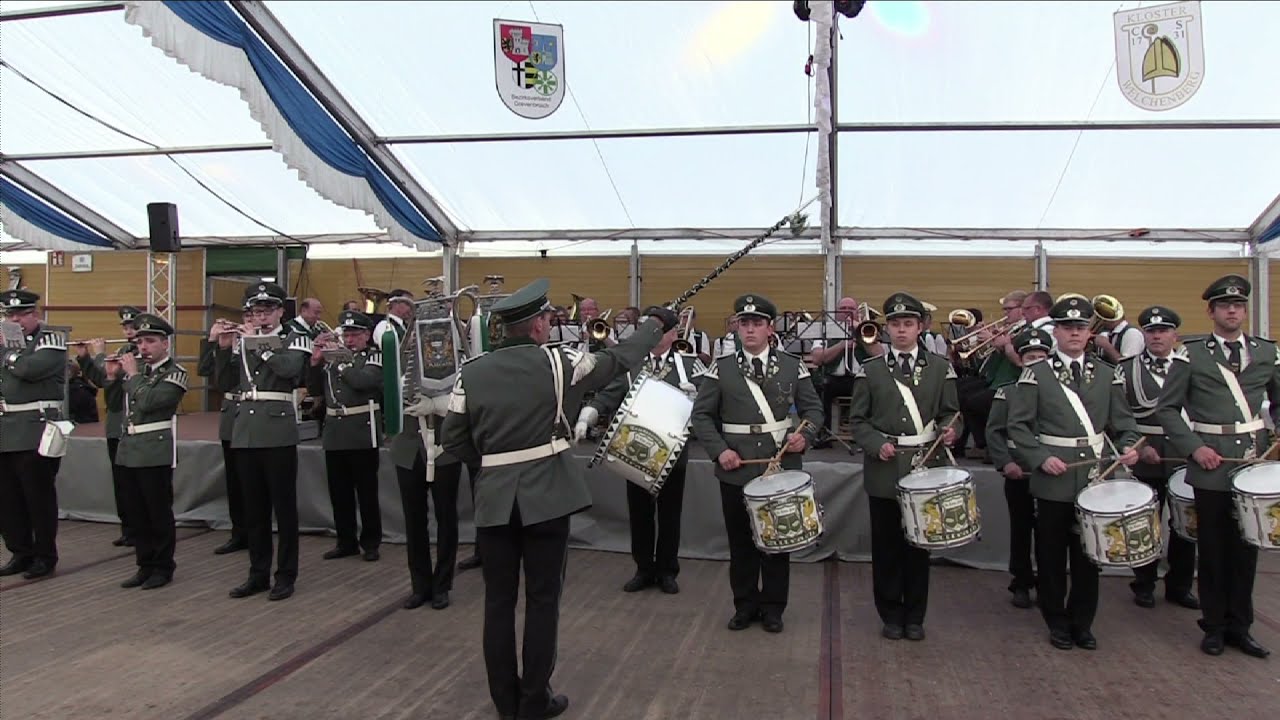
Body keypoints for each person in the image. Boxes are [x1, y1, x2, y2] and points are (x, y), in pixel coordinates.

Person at [441, 279, 675, 720]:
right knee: (543, 600)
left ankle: (505, 702)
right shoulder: (559, 364)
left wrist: (493, 462)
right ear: (535, 327)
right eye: (548, 319)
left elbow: (453, 439)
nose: (551, 325)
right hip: (547, 496)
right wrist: (654, 324)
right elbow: (619, 359)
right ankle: (535, 700)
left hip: (493, 500)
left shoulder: (469, 373)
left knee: (498, 603)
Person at [1006, 294, 1140, 651]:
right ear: (1057, 332)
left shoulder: (1107, 375)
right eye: (1068, 328)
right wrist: (1039, 457)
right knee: (1051, 554)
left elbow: (1124, 424)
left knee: (1088, 555)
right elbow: (1018, 427)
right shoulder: (1037, 374)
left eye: (1081, 327)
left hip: (1095, 478)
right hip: (1053, 476)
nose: (1075, 334)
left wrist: (1128, 447)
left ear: (1089, 332)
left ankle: (1083, 622)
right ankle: (1056, 620)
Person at [1155, 274, 1277, 659]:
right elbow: (1168, 409)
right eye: (1225, 305)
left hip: (1251, 463)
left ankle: (1241, 627)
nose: (1232, 311)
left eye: (1238, 305)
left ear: (1245, 310)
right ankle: (1214, 626)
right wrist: (1194, 448)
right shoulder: (1191, 353)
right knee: (1212, 549)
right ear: (1211, 312)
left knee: (1247, 548)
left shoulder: (1266, 352)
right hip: (1209, 462)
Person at [690, 293, 824, 634]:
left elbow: (813, 411)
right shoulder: (720, 368)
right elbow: (702, 415)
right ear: (737, 328)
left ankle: (774, 608)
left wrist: (804, 437)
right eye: (743, 323)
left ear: (770, 328)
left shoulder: (794, 366)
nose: (749, 330)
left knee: (778, 541)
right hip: (737, 466)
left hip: (781, 467)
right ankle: (745, 605)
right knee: (742, 543)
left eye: (757, 323)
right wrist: (720, 451)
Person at [847, 292, 959, 642]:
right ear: (886, 329)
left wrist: (951, 431)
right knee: (887, 547)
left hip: (925, 467)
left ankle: (916, 615)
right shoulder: (870, 370)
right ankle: (890, 614)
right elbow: (858, 420)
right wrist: (873, 444)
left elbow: (951, 412)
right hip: (884, 468)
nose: (900, 330)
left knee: (918, 546)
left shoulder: (940, 368)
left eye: (907, 324)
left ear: (920, 327)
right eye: (894, 324)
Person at [577, 315, 703, 594]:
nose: (656, 336)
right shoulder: (631, 365)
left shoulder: (690, 365)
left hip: (672, 452)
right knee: (639, 513)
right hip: (633, 451)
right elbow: (609, 394)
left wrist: (697, 401)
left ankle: (668, 570)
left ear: (673, 334)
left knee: (670, 513)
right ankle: (644, 568)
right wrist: (590, 413)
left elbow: (710, 402)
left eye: (661, 331)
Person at [215, 282, 312, 601]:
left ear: (281, 311)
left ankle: (286, 574)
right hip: (245, 430)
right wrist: (224, 346)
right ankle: (257, 573)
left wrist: (260, 344)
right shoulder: (244, 341)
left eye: (268, 310)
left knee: (283, 509)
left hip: (276, 428)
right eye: (256, 311)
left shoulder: (294, 336)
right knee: (254, 510)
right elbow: (224, 380)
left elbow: (291, 370)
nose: (261, 315)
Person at [1121, 306, 1198, 611]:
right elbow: (1119, 414)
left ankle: (1179, 585)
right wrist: (1139, 448)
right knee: (1145, 521)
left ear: (1174, 335)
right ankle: (1144, 583)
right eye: (1151, 331)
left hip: (1183, 452)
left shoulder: (1190, 366)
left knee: (1184, 522)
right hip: (1146, 449)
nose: (1156, 336)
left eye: (1163, 331)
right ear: (1143, 335)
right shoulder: (1126, 369)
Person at [114, 313, 187, 590]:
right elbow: (108, 388)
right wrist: (93, 360)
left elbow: (152, 401)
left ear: (165, 344)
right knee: (136, 513)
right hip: (129, 448)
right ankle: (144, 564)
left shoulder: (175, 372)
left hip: (154, 449)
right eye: (140, 341)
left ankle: (163, 566)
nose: (143, 347)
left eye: (150, 341)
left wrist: (132, 375)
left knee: (157, 511)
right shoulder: (140, 374)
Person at [984, 326, 1053, 609]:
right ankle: (1021, 582)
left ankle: (1050, 584)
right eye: (1030, 357)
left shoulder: (1060, 392)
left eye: (1041, 357)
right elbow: (995, 432)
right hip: (1020, 470)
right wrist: (1005, 463)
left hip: (1052, 472)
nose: (1036, 362)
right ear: (1021, 361)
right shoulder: (1008, 392)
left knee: (1050, 532)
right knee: (1022, 529)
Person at [0, 289, 67, 579]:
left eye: (22, 314)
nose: (16, 320)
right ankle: (20, 551)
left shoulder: (50, 339)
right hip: (5, 428)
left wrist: (7, 353)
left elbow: (31, 369)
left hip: (35, 428)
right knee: (8, 498)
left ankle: (44, 555)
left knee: (37, 497)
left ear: (35, 314)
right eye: (9, 315)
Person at [306, 310, 383, 563]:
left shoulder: (373, 356)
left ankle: (371, 542)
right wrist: (316, 362)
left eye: (354, 335)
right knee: (339, 492)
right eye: (346, 335)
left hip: (361, 429)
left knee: (366, 491)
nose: (349, 340)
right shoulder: (331, 360)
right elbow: (314, 390)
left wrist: (340, 361)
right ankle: (345, 540)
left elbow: (364, 382)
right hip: (335, 430)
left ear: (366, 335)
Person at [74, 305, 141, 547]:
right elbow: (104, 381)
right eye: (125, 327)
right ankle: (128, 528)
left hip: (132, 425)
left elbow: (115, 381)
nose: (129, 331)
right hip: (115, 427)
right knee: (120, 482)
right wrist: (85, 357)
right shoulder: (124, 350)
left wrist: (101, 354)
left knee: (134, 483)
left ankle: (139, 529)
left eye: (132, 326)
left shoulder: (140, 355)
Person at [200, 307, 253, 555]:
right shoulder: (231, 341)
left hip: (252, 413)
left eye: (257, 313)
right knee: (233, 480)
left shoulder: (265, 341)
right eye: (248, 315)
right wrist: (214, 341)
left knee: (251, 480)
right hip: (231, 414)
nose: (252, 319)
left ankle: (256, 531)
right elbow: (206, 372)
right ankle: (239, 532)